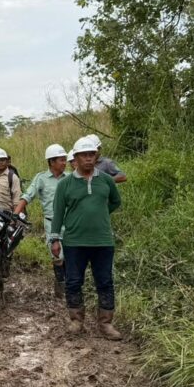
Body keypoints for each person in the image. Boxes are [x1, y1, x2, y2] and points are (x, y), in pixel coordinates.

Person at [50, 136, 123, 340]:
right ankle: (76, 321)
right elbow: (58, 213)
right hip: (74, 241)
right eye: (84, 155)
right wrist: (55, 239)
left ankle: (106, 324)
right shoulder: (65, 184)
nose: (89, 158)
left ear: (96, 156)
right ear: (76, 157)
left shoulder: (106, 180)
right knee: (73, 281)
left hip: (103, 241)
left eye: (92, 154)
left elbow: (115, 202)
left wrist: (99, 214)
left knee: (105, 282)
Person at [15, 143, 68, 298]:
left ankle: (69, 289)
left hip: (71, 224)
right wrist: (16, 214)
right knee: (57, 256)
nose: (65, 163)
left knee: (72, 256)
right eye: (61, 160)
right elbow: (28, 196)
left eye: (65, 160)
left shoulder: (70, 177)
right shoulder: (41, 178)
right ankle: (60, 287)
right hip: (52, 223)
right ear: (51, 162)